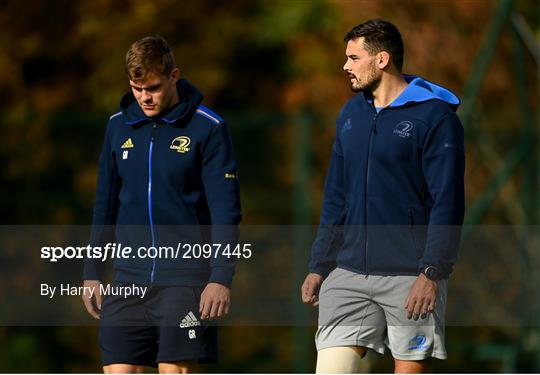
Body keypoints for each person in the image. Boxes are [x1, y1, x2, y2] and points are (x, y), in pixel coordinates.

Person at [301, 19, 464, 373]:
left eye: (353, 57)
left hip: (411, 275)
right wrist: (319, 265)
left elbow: (447, 201)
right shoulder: (350, 115)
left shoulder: (435, 118)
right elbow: (335, 198)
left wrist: (431, 272)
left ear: (382, 59)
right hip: (347, 274)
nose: (345, 66)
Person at [81, 36, 241, 373]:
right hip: (128, 279)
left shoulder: (208, 128)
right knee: (119, 370)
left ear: (173, 76)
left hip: (184, 280)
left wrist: (220, 277)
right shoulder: (117, 127)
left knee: (174, 369)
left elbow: (226, 210)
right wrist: (92, 272)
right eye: (136, 89)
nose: (144, 97)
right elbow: (104, 206)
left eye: (152, 87)